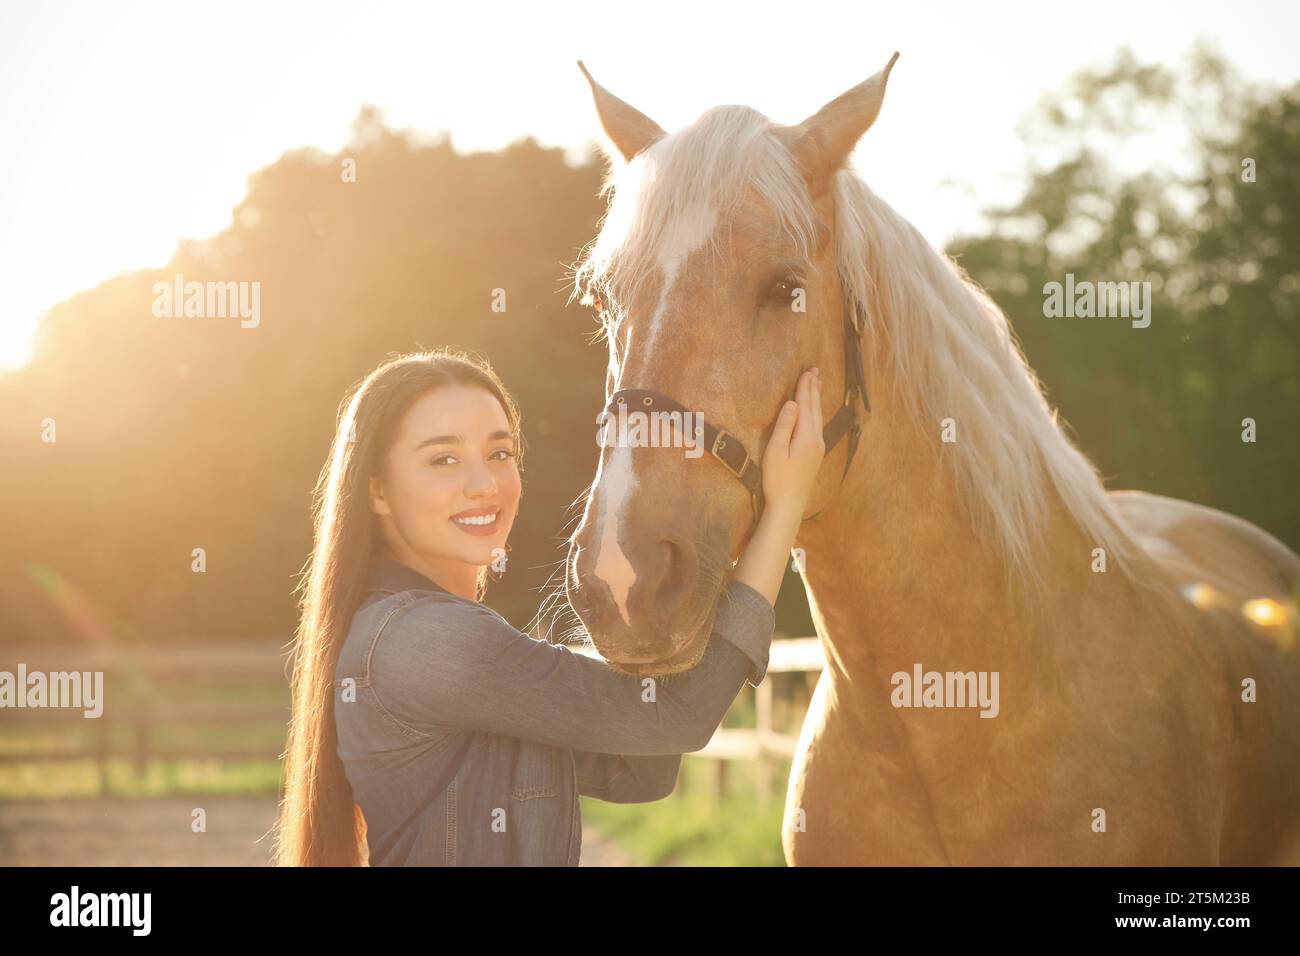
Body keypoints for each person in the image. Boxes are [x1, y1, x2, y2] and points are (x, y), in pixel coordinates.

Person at [274, 348, 825, 865]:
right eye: (442, 459)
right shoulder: (425, 640)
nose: (483, 483)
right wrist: (785, 508)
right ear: (376, 490)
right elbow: (674, 720)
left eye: (499, 453)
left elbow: (641, 770)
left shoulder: (430, 639)